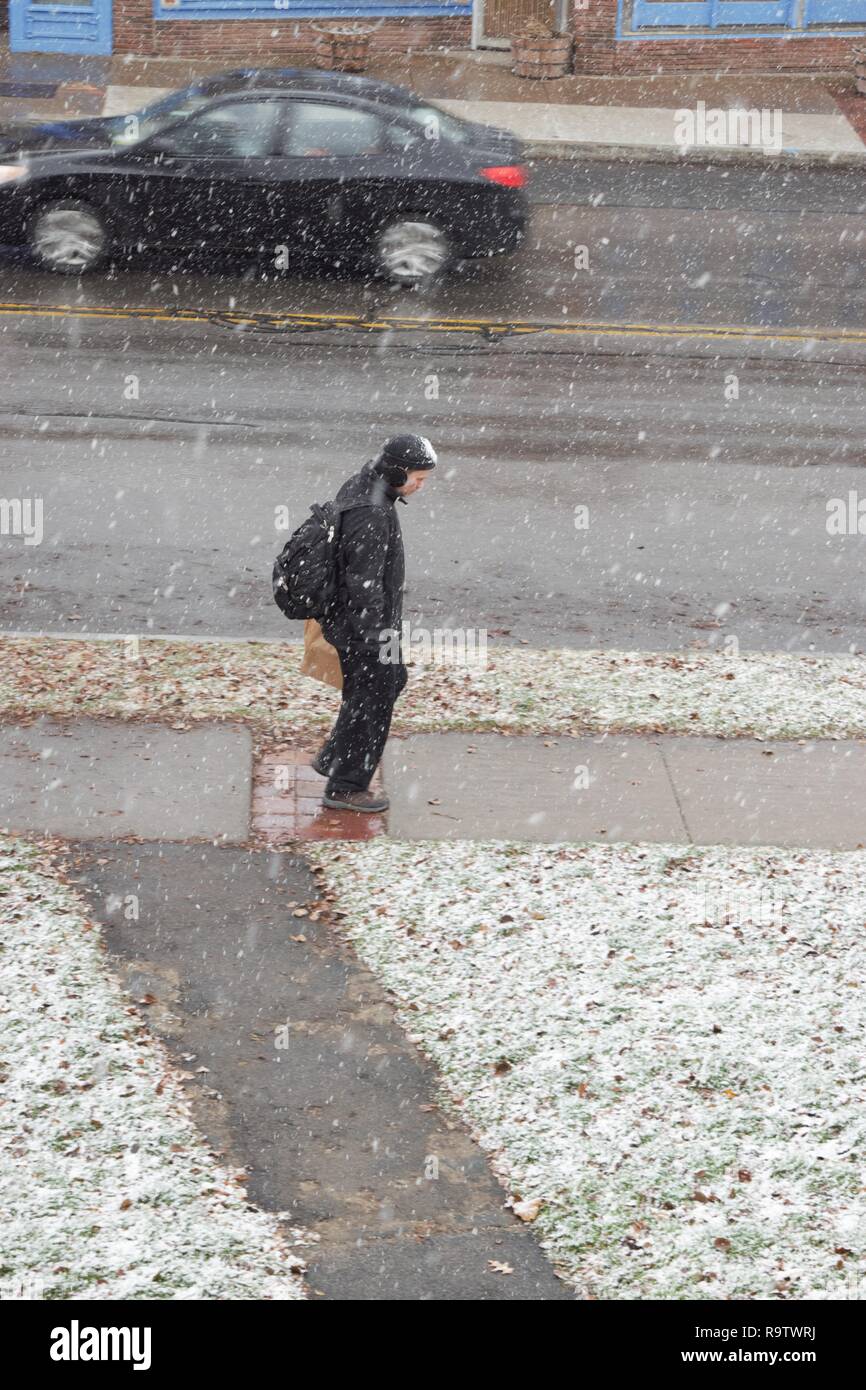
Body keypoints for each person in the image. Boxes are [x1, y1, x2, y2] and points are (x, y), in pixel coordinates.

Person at [313, 434, 437, 812]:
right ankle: (346, 787)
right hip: (363, 630)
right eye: (418, 477)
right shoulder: (371, 511)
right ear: (397, 471)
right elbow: (363, 583)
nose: (421, 485)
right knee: (373, 699)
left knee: (379, 689)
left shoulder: (368, 484)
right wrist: (375, 641)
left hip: (359, 625)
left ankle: (336, 759)